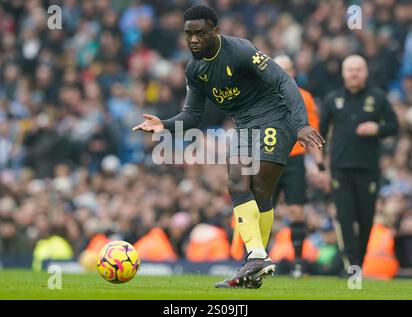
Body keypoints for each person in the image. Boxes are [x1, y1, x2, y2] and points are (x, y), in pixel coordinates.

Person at [132, 5, 324, 289]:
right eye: (188, 34)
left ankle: (255, 260)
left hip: (276, 117)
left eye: (199, 33)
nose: (193, 39)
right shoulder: (194, 69)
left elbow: (284, 80)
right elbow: (193, 114)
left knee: (260, 185)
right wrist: (165, 124)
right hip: (245, 124)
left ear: (215, 31)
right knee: (236, 181)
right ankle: (256, 259)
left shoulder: (241, 51)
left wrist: (301, 124)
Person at [320, 55, 399, 275]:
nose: (354, 73)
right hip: (340, 169)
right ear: (344, 73)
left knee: (365, 219)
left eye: (358, 69)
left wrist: (378, 128)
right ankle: (352, 265)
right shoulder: (332, 99)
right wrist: (321, 166)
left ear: (365, 72)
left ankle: (359, 263)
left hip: (368, 169)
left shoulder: (378, 97)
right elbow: (321, 134)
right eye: (350, 70)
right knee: (345, 218)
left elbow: (393, 126)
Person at [271, 55, 326, 278]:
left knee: (297, 210)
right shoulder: (261, 96)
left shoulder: (305, 98)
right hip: (269, 159)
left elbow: (312, 132)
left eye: (287, 69)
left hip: (294, 159)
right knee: (263, 211)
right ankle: (254, 259)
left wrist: (320, 165)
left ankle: (298, 262)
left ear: (293, 71)